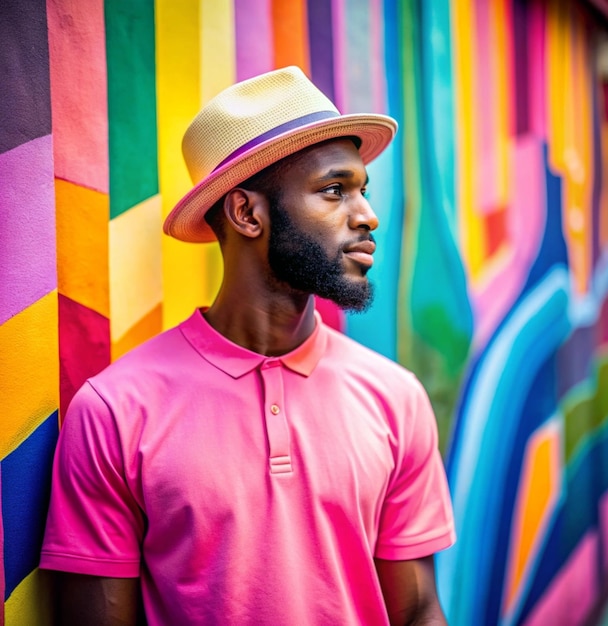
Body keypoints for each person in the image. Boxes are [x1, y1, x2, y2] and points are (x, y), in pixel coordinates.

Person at [40, 66, 455, 625]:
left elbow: (419, 612)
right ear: (246, 213)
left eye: (363, 189)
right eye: (335, 190)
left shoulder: (396, 397)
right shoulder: (115, 411)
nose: (367, 215)